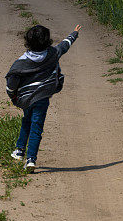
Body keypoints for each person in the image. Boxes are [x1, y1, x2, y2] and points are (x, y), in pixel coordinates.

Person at [5, 24, 80, 173]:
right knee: (36, 127)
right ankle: (31, 159)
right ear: (47, 41)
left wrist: (12, 95)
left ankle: (19, 151)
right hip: (42, 98)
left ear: (27, 41)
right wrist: (74, 34)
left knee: (26, 121)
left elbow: (12, 83)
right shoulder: (52, 54)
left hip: (26, 99)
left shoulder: (21, 62)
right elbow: (64, 46)